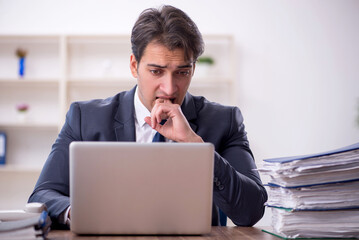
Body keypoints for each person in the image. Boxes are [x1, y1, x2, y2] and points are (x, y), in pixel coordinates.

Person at [28, 5, 267, 229]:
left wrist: (195, 145)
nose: (170, 88)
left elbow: (252, 210)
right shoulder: (84, 117)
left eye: (182, 72)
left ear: (193, 69)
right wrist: (78, 213)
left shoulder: (224, 120)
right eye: (156, 71)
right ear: (134, 66)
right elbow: (43, 194)